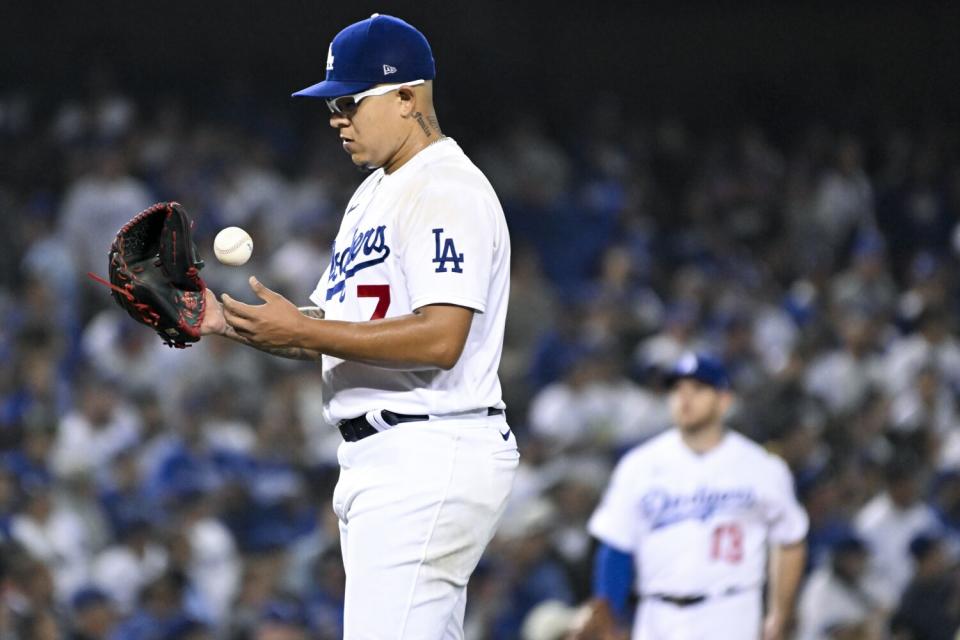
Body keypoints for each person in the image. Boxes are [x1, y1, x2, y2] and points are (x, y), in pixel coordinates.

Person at [198, 13, 518, 639]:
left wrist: (306, 332)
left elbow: (440, 338)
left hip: (429, 447)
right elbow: (329, 324)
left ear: (407, 96)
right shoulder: (373, 192)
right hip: (389, 456)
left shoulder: (445, 187)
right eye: (330, 105)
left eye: (348, 102)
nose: (335, 119)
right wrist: (223, 319)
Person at [572, 353, 809, 640]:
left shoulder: (761, 467)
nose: (685, 399)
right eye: (677, 390)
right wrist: (608, 609)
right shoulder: (639, 466)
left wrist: (779, 612)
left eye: (698, 390)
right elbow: (617, 545)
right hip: (657, 614)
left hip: (731, 610)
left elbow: (790, 539)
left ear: (724, 401)